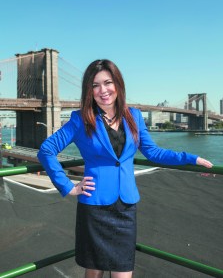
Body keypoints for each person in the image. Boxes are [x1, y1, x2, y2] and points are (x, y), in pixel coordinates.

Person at [37, 59, 213, 278]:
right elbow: (46, 150)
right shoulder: (80, 119)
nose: (103, 90)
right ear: (89, 91)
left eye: (108, 82)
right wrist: (68, 186)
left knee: (123, 272)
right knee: (94, 271)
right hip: (95, 205)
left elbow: (153, 152)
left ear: (118, 84)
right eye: (95, 85)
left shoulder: (134, 116)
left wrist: (191, 158)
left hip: (126, 207)